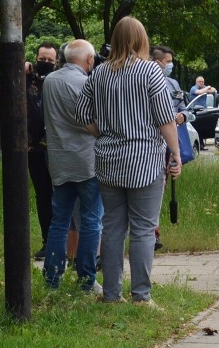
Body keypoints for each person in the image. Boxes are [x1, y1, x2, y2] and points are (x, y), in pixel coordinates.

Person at [76, 16, 182, 307]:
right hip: (144, 159)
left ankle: (111, 295)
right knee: (144, 228)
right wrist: (175, 153)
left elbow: (82, 115)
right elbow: (165, 119)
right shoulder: (150, 71)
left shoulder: (98, 73)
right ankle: (141, 296)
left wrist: (107, 132)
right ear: (142, 40)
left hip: (108, 159)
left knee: (112, 227)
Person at [42, 39, 103, 294]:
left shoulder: (50, 81)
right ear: (89, 60)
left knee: (60, 221)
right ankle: (87, 280)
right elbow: (95, 121)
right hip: (86, 161)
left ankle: (52, 279)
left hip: (58, 160)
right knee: (91, 220)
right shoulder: (85, 83)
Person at [151, 45, 194, 249]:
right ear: (155, 61)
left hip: (168, 144)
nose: (170, 65)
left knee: (160, 187)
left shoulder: (173, 83)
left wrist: (182, 116)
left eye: (171, 61)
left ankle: (154, 233)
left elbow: (185, 108)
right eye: (167, 62)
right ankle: (148, 233)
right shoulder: (144, 80)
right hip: (150, 143)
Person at [26, 41, 58, 260]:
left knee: (62, 196)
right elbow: (2, 90)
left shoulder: (57, 81)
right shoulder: (28, 81)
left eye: (50, 60)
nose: (45, 63)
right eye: (42, 58)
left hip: (57, 148)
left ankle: (64, 242)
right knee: (43, 195)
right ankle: (48, 241)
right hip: (34, 149)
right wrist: (21, 68)